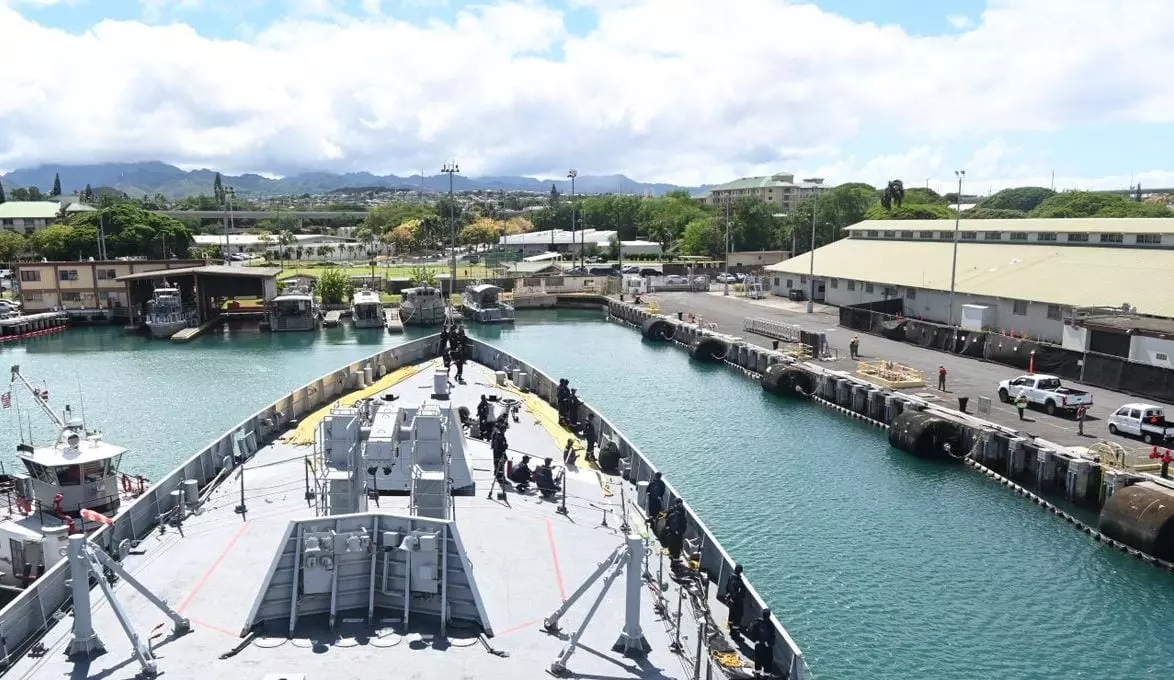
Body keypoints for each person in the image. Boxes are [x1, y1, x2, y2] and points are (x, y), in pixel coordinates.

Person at [722, 564, 747, 638]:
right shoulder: (738, 581)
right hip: (737, 603)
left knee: (731, 616)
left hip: (731, 601)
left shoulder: (730, 577)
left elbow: (727, 588)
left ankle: (730, 628)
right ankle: (735, 634)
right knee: (737, 619)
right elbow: (739, 593)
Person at [751, 609, 776, 676]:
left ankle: (758, 675)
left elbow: (753, 633)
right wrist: (768, 644)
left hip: (759, 645)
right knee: (768, 662)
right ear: (769, 615)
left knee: (758, 659)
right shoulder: (771, 625)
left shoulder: (757, 623)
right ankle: (766, 677)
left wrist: (756, 641)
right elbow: (773, 637)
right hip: (767, 647)